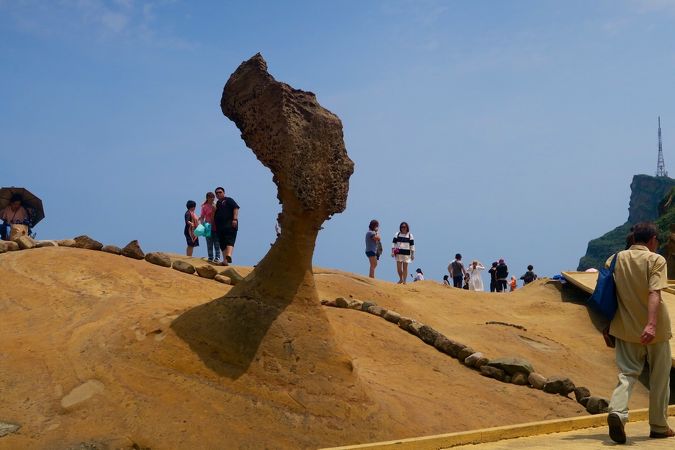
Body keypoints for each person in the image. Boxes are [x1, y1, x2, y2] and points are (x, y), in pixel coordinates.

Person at [606, 222, 673, 443]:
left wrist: (606, 325)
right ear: (653, 239)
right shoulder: (656, 260)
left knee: (627, 373)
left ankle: (618, 412)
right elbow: (655, 292)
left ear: (634, 239)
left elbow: (607, 294)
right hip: (657, 331)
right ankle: (659, 426)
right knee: (660, 378)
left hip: (625, 327)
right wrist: (651, 325)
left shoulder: (615, 259)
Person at [214, 187, 240, 265]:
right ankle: (225, 261)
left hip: (230, 224)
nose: (218, 194)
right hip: (220, 226)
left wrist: (235, 219)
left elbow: (236, 208)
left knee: (230, 240)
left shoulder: (228, 200)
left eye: (220, 192)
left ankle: (229, 255)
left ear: (224, 193)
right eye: (217, 193)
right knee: (222, 243)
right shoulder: (217, 203)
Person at [199, 192, 220, 263]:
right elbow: (202, 217)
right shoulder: (204, 206)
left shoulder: (216, 204)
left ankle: (217, 257)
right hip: (207, 226)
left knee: (217, 243)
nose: (213, 198)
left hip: (216, 225)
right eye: (211, 197)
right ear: (207, 198)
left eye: (213, 197)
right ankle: (210, 257)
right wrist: (202, 225)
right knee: (209, 243)